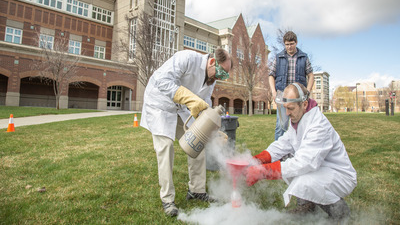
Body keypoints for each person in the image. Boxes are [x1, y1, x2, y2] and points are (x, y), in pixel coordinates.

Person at [140, 48, 232, 217]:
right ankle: (167, 199)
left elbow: (203, 103)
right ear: (212, 62)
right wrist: (189, 98)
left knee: (199, 142)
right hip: (159, 104)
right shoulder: (187, 58)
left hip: (182, 108)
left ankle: (196, 190)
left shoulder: (212, 80)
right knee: (166, 147)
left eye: (224, 76)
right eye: (220, 72)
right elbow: (162, 80)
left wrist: (212, 131)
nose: (220, 78)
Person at [246, 82, 357, 221]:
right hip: (322, 168)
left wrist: (263, 171)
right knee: (289, 165)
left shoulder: (318, 125)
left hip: (340, 175)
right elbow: (283, 143)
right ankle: (308, 206)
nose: (287, 113)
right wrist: (257, 159)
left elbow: (305, 163)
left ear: (304, 104)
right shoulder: (299, 118)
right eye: (285, 108)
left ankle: (339, 211)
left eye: (290, 108)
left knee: (303, 179)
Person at [269, 31, 314, 140]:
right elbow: (271, 75)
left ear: (296, 43)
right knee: (281, 126)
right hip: (282, 95)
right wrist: (274, 92)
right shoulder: (279, 57)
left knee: (300, 125)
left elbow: (311, 75)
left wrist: (307, 91)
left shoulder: (303, 57)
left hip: (298, 98)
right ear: (284, 44)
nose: (289, 47)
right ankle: (279, 154)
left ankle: (299, 151)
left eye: (292, 44)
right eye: (287, 44)